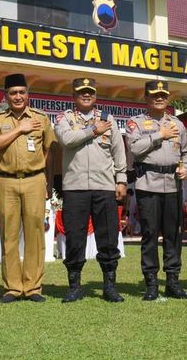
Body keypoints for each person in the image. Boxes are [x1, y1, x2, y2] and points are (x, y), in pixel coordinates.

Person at [54, 77, 127, 303]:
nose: (86, 95)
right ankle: (74, 286)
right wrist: (93, 130)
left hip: (104, 186)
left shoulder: (108, 119)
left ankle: (109, 286)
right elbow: (66, 139)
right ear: (74, 96)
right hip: (75, 188)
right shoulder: (64, 118)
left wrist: (121, 180)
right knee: (75, 238)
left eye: (90, 92)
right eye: (81, 92)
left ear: (95, 95)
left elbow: (118, 151)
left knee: (107, 237)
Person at [0, 74, 56, 303]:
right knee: (9, 235)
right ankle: (12, 288)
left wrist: (46, 182)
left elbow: (48, 150)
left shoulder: (41, 118)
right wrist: (20, 129)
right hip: (6, 180)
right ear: (6, 96)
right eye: (13, 92)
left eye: (22, 92)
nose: (18, 96)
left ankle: (33, 287)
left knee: (36, 234)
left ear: (28, 94)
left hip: (35, 180)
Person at [126, 80, 187, 300]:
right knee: (150, 235)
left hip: (173, 184)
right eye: (155, 95)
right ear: (146, 97)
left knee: (174, 235)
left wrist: (186, 168)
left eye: (163, 95)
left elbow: (186, 152)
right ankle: (151, 283)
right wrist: (160, 135)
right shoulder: (136, 123)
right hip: (148, 183)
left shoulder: (177, 123)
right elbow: (135, 148)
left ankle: (173, 281)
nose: (160, 98)